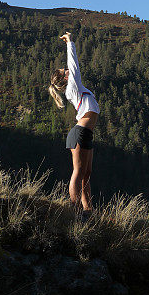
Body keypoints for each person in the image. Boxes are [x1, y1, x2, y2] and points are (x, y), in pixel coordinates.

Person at [48, 32, 100, 212]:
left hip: (85, 134)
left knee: (87, 174)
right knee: (78, 173)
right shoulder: (73, 86)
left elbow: (73, 67)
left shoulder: (76, 88)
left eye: (65, 69)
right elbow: (74, 63)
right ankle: (75, 210)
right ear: (64, 79)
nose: (68, 70)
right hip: (80, 133)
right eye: (65, 71)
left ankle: (88, 211)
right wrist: (70, 42)